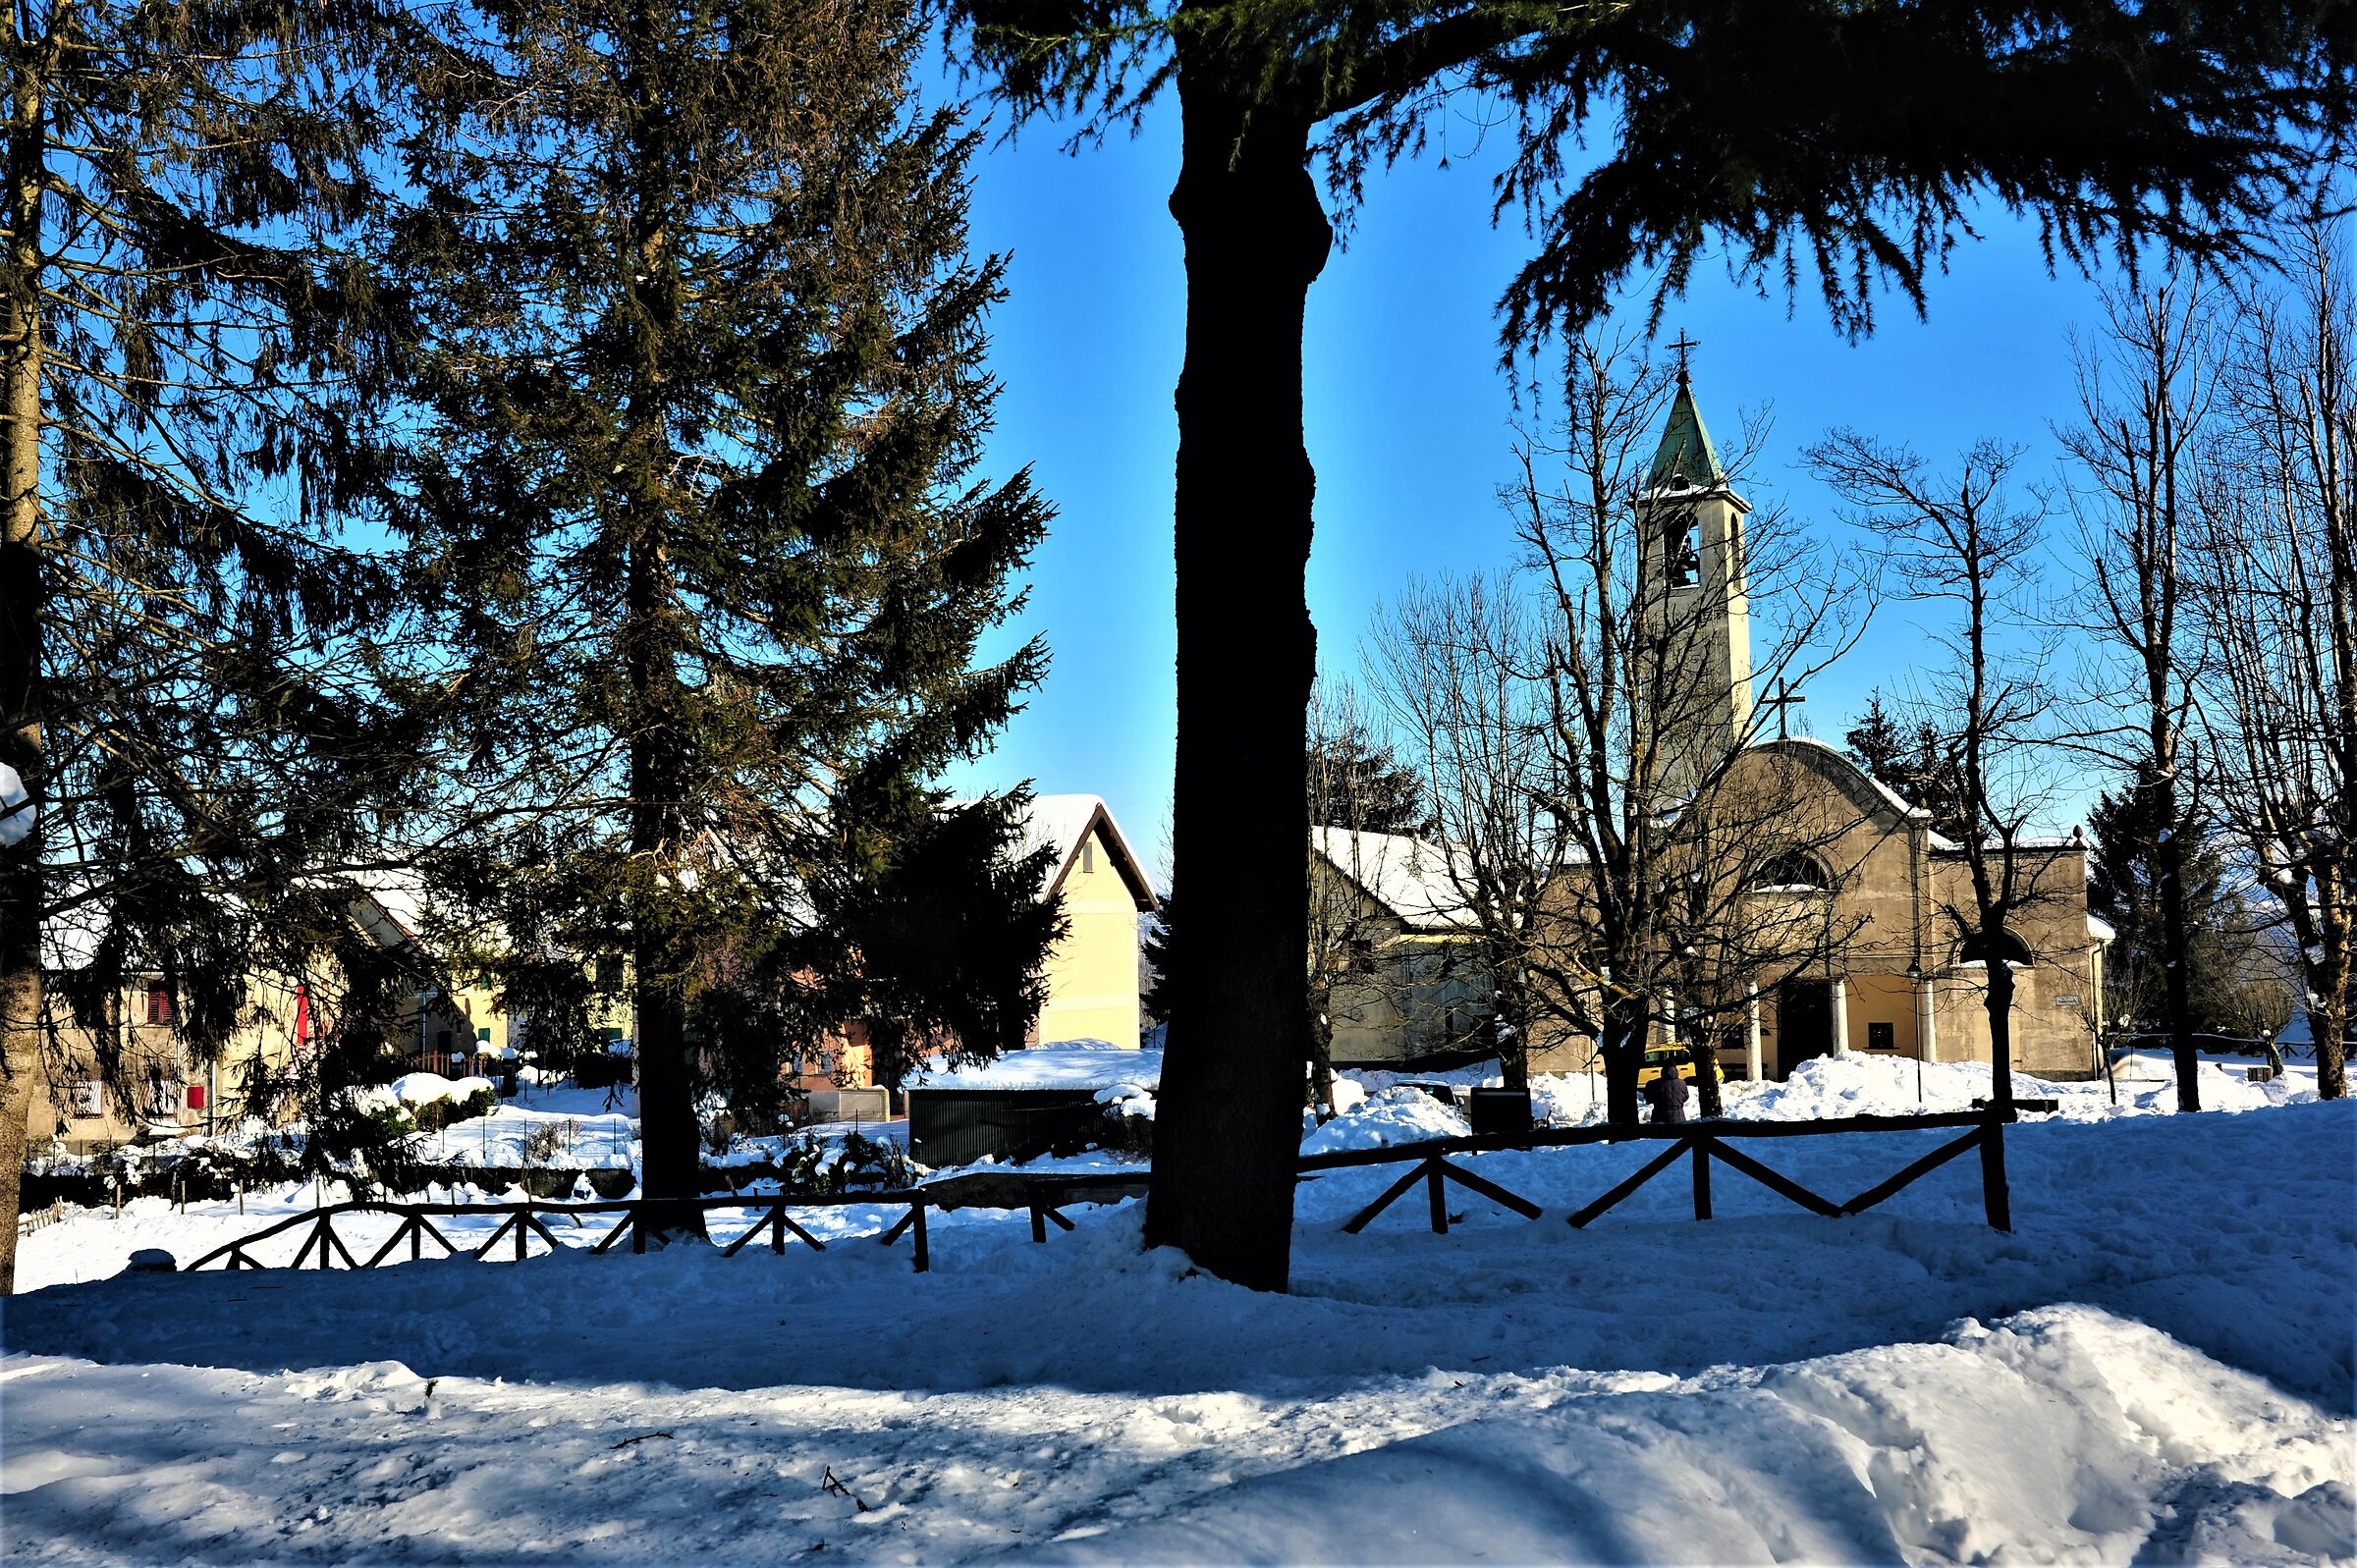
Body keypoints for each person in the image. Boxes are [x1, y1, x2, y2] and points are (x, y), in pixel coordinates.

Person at [1643, 1052, 1690, 1124]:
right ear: (1676, 1069)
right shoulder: (1682, 1083)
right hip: (1679, 1119)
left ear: (1663, 1069)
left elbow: (1649, 1099)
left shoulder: (1654, 1083)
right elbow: (1686, 1097)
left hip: (1659, 1119)